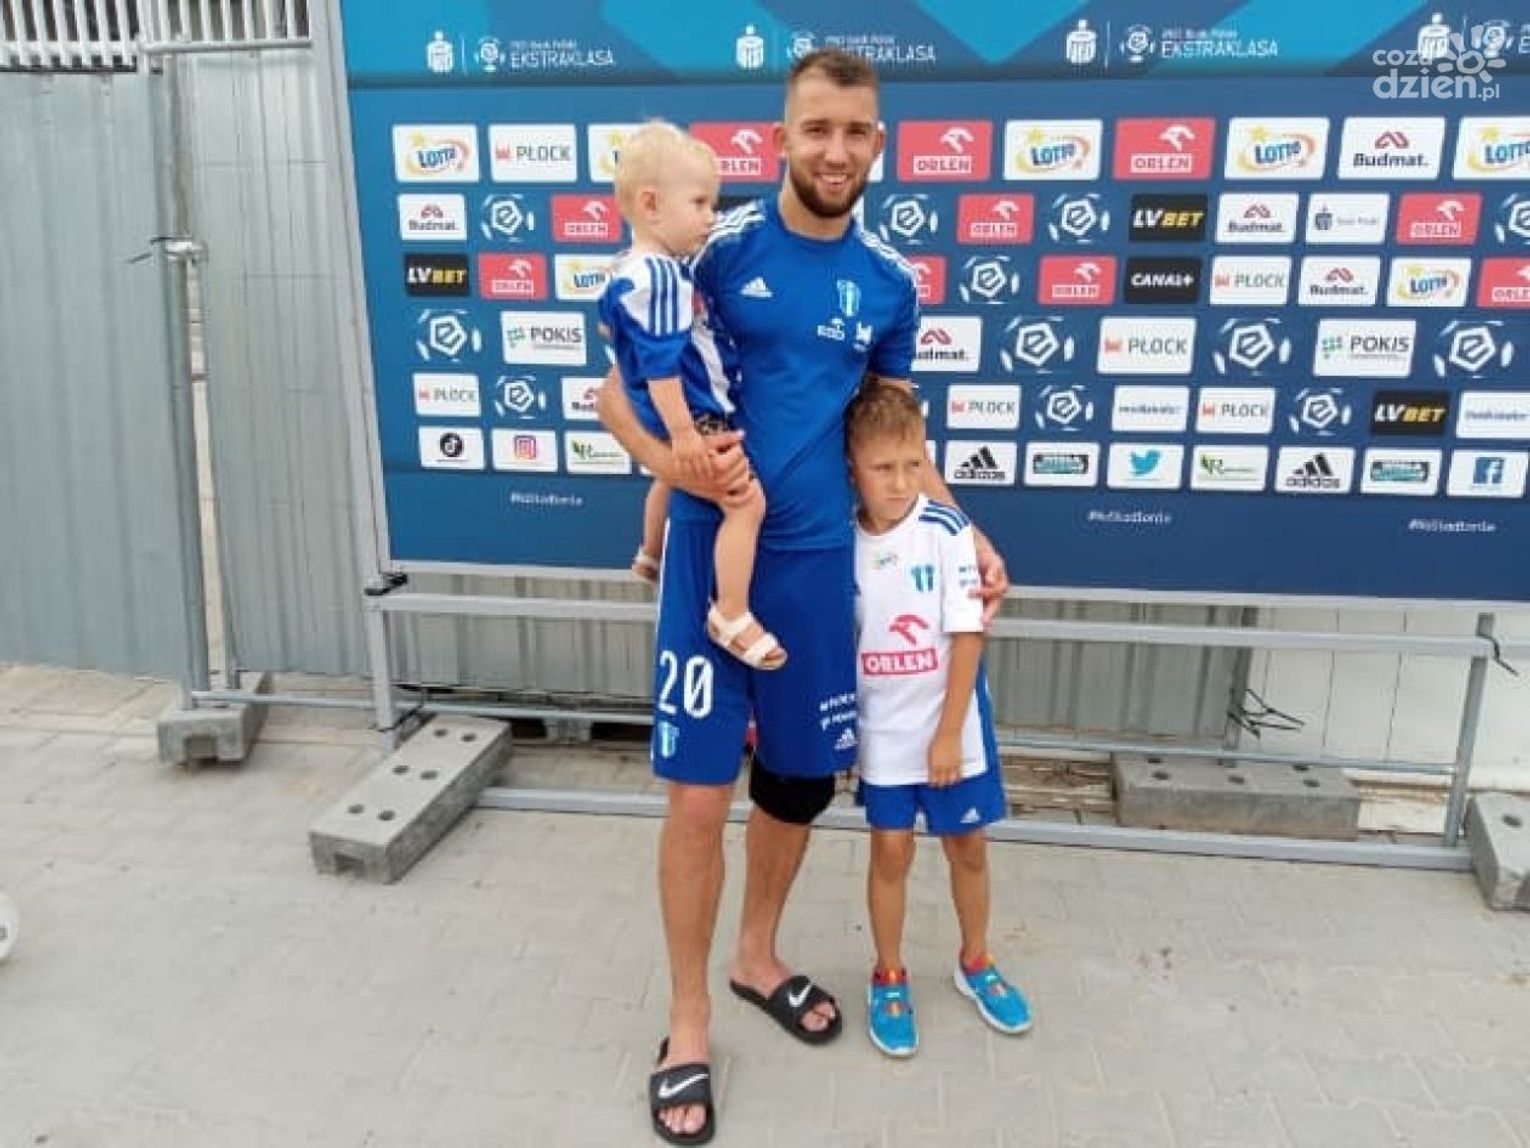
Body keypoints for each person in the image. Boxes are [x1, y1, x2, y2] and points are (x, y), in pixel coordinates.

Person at [596, 48, 1009, 1145]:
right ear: (780, 137)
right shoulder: (714, 249)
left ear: (879, 143)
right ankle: (689, 1023)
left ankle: (756, 955)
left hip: (823, 570)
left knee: (794, 786)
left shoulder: (891, 281)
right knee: (697, 798)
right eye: (815, 128)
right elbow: (612, 394)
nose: (835, 150)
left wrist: (964, 527)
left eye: (855, 131)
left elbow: (896, 439)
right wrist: (674, 464)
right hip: (711, 562)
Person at [845, 383, 1033, 1059]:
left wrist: (949, 732)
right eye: (883, 468)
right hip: (885, 732)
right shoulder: (840, 541)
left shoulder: (948, 531)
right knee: (890, 852)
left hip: (950, 727)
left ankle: (975, 961)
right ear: (852, 469)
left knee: (968, 846)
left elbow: (967, 632)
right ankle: (889, 975)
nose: (901, 483)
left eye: (913, 465)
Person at [599, 121, 785, 671]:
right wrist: (683, 433)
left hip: (666, 414)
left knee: (667, 478)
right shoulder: (660, 277)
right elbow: (660, 364)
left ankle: (649, 553)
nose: (711, 217)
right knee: (746, 503)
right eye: (700, 203)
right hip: (694, 416)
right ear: (651, 205)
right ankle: (730, 612)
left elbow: (613, 335)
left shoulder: (628, 268)